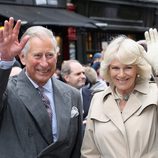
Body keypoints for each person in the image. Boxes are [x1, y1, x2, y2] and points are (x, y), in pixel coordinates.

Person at [0, 17, 82, 158]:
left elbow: (76, 148)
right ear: (23, 58)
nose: (44, 63)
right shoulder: (8, 91)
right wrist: (6, 61)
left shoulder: (72, 94)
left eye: (49, 55)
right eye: (37, 56)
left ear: (57, 56)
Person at [81, 30, 158, 158]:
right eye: (115, 68)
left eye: (128, 67)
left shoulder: (154, 93)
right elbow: (90, 152)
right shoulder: (98, 100)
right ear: (108, 69)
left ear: (137, 68)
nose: (121, 74)